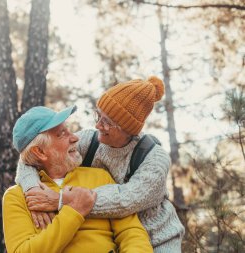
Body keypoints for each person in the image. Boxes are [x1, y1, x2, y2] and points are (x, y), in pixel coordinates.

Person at [16, 76, 185, 253]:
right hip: (111, 234)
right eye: (98, 115)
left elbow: (125, 201)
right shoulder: (90, 140)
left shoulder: (154, 159)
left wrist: (61, 200)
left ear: (129, 129)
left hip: (157, 239)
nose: (98, 125)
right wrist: (32, 189)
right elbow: (31, 155)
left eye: (107, 122)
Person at [3, 105, 153, 253]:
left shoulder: (100, 176)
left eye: (69, 130)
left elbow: (131, 233)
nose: (75, 138)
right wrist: (74, 211)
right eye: (62, 134)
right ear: (40, 152)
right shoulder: (16, 197)